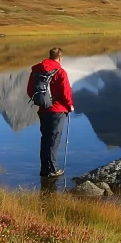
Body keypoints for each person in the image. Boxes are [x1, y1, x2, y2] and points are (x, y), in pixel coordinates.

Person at [27, 47, 74, 178]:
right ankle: (52, 169)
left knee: (45, 139)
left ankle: (44, 169)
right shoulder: (60, 71)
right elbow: (66, 92)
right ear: (60, 58)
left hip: (43, 110)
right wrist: (69, 105)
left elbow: (30, 90)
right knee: (54, 140)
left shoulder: (36, 70)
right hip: (58, 110)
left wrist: (41, 101)